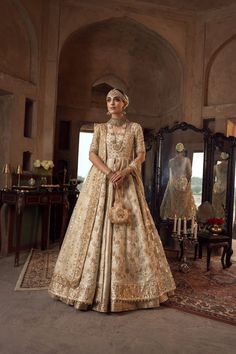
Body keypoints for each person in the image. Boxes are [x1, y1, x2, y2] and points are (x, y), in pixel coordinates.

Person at [49, 88, 175, 312]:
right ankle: (91, 288)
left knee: (133, 229)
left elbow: (141, 154)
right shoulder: (99, 129)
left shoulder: (135, 128)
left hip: (127, 181)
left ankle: (131, 289)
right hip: (102, 182)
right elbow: (92, 154)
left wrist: (125, 171)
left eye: (116, 99)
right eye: (108, 100)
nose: (112, 103)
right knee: (93, 229)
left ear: (125, 103)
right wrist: (109, 173)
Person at [160, 143, 196, 219]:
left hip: (173, 185)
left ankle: (173, 221)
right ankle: (182, 223)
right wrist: (186, 182)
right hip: (184, 185)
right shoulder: (187, 160)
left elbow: (170, 174)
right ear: (183, 150)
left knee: (173, 205)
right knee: (183, 205)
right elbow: (189, 174)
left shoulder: (171, 161)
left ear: (175, 150)